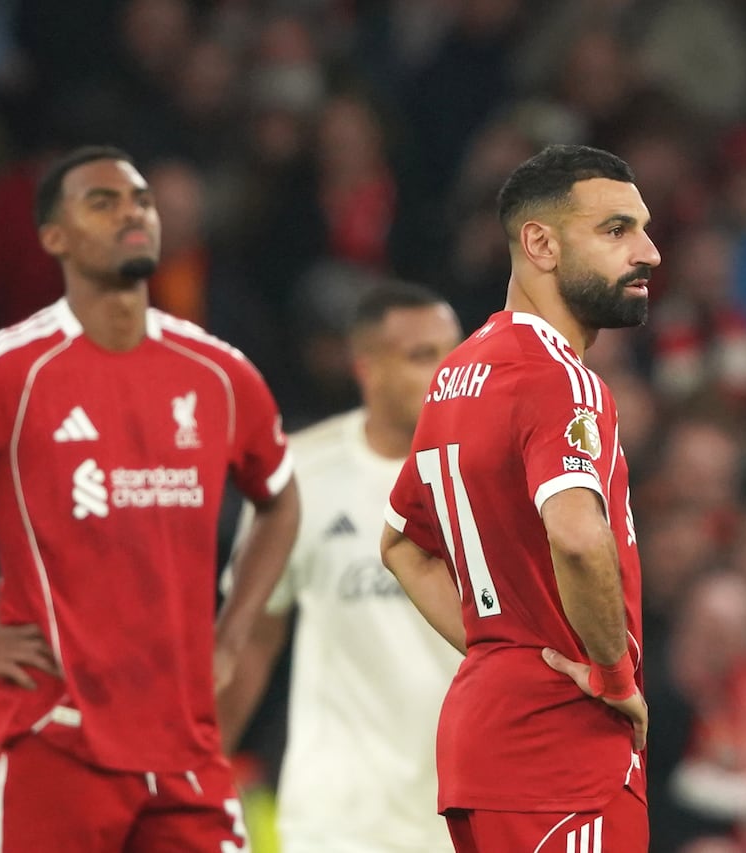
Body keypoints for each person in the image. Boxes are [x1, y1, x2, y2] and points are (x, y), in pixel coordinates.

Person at [0, 145, 300, 853]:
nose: (132, 213)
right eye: (102, 202)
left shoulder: (219, 372)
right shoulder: (8, 371)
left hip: (185, 748)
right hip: (52, 743)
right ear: (54, 237)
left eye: (141, 200)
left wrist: (232, 634)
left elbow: (281, 499)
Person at [380, 144, 660, 852]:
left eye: (643, 229)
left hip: (486, 742)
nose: (649, 253)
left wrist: (503, 647)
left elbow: (403, 544)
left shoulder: (457, 375)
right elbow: (577, 534)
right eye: (616, 230)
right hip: (562, 753)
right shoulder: (559, 379)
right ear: (540, 244)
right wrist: (613, 676)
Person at [219, 281, 464, 852]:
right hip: (335, 822)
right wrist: (201, 769)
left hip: (463, 814)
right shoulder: (299, 476)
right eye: (421, 356)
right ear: (366, 369)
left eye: (453, 353)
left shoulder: (498, 477)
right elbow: (251, 639)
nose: (446, 372)